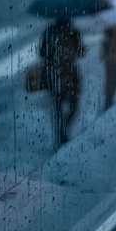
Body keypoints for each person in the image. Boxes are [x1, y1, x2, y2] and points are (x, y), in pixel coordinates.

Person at [40, 18, 83, 146]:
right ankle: (63, 131)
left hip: (55, 74)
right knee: (72, 105)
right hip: (67, 73)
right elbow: (80, 52)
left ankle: (62, 132)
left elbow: (42, 53)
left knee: (59, 106)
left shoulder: (50, 32)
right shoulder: (73, 32)